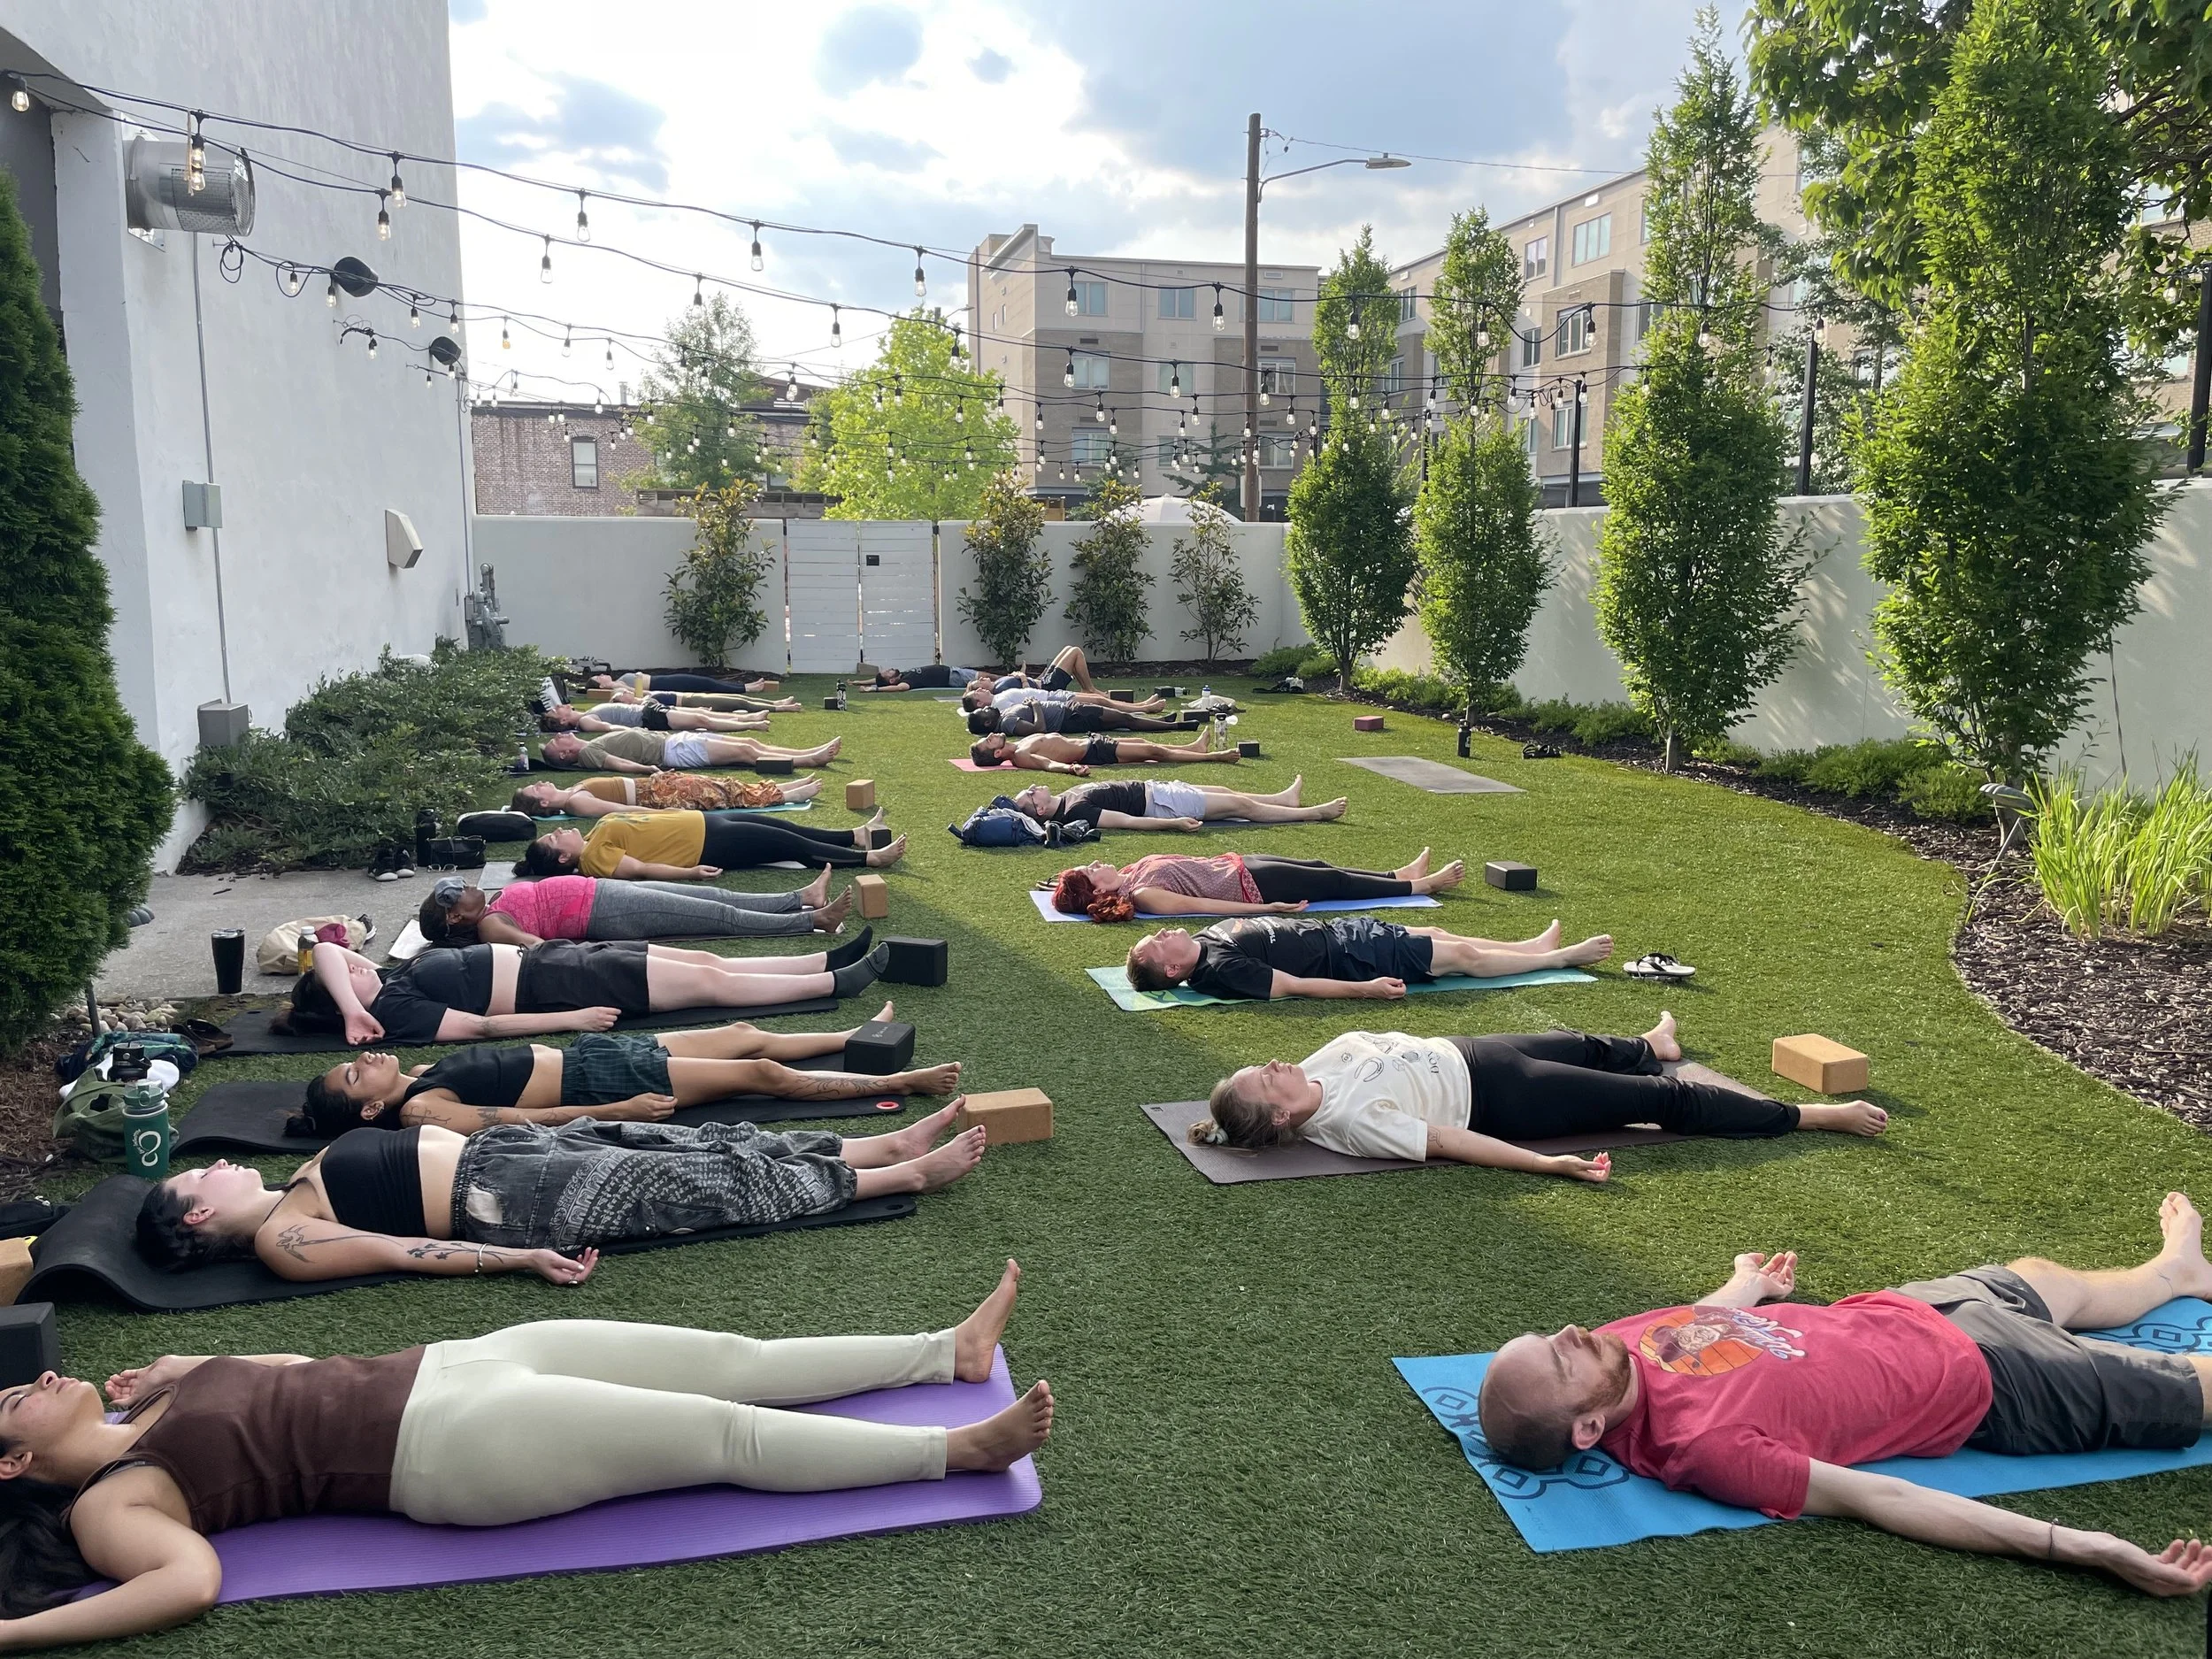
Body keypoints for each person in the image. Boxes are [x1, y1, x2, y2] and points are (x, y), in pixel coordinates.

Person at [0, 1260, 1053, 1639]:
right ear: (12, 1467)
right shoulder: (111, 1505)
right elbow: (187, 1584)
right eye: (16, 1402)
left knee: (732, 1358)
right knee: (722, 1437)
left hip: (461, 1361)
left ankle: (942, 1353)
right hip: (453, 1446)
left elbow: (290, 1371)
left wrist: (190, 1363)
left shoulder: (153, 1403)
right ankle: (956, 1453)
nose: (40, 1376)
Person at [1473, 1193, 2212, 1598]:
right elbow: (1878, 1497)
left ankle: (2174, 1272)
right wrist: (2083, 1546)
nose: (1573, 1330)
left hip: (1906, 1308)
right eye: (1560, 1357)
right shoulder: (1704, 1448)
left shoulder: (1611, 1350)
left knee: (2048, 1276)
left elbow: (1692, 1323)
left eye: (1551, 1334)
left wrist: (1747, 1286)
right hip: (1995, 1382)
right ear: (1587, 1429)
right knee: (2197, 1389)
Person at [133, 1091, 988, 1286]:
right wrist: (519, 1260)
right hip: (513, 1202)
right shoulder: (285, 1239)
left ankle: (880, 1138)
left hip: (517, 1151)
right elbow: (401, 1250)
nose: (216, 1162)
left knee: (705, 1138)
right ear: (200, 1213)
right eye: (199, 1174)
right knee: (706, 1181)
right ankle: (899, 1173)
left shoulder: (293, 1184)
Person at [1192, 1013, 1886, 1179]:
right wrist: (1548, 1164)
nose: (1272, 1062)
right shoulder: (1348, 1123)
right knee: (1659, 1101)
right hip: (1504, 1096)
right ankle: (1812, 1116)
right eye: (1263, 1077)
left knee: (1582, 1040)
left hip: (1471, 1049)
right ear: (1280, 1114)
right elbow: (1451, 1141)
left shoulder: (1315, 1067)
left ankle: (1654, 1041)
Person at [290, 1002, 961, 1137]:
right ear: (371, 1109)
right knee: (761, 1074)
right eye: (355, 1076)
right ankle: (900, 1082)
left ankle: (850, 1032)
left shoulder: (421, 1072)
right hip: (601, 1085)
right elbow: (524, 1120)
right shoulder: (420, 1110)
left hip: (595, 1056)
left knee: (739, 1033)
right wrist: (618, 1111)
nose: (365, 1060)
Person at [277, 933, 891, 1049]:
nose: (355, 966)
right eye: (345, 985)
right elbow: (483, 1029)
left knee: (705, 959)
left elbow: (327, 950)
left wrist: (353, 1000)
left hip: (558, 955)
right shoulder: (398, 1014)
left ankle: (822, 957)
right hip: (559, 983)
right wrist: (572, 1017)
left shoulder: (381, 985)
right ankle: (835, 981)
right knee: (710, 984)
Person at [1125, 915, 1613, 1000]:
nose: (1165, 932)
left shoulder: (1206, 941)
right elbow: (1294, 986)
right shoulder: (1218, 971)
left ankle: (1530, 949)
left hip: (1342, 933)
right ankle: (1561, 959)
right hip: (1352, 958)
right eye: (1158, 942)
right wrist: (1367, 988)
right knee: (1461, 957)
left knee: (1438, 931)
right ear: (1172, 969)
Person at [417, 867, 850, 946]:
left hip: (601, 895)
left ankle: (802, 899)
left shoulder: (490, 907)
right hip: (604, 912)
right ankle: (813, 921)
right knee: (718, 917)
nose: (466, 886)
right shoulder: (491, 927)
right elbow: (535, 946)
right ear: (455, 915)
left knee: (713, 898)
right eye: (456, 891)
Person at [1051, 848, 1463, 921]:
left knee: (1321, 866)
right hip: (1254, 888)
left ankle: (1398, 876)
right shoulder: (1142, 896)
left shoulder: (1128, 873)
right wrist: (1268, 909)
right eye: (1089, 871)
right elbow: (1208, 909)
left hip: (1241, 864)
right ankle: (1420, 887)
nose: (1094, 863)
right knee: (1334, 882)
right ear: (1098, 893)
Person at [514, 810, 907, 881]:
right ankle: (868, 859)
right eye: (553, 838)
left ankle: (855, 834)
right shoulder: (595, 859)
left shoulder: (596, 831)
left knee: (786, 826)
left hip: (705, 823)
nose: (559, 831)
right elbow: (641, 870)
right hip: (709, 846)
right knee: (790, 844)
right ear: (564, 857)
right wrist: (690, 872)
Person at [1010, 776, 1347, 834]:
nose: (1033, 788)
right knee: (1240, 806)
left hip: (1157, 790)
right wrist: (1171, 823)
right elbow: (1127, 822)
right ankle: (1314, 813)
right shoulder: (1075, 812)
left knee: (1226, 792)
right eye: (1031, 795)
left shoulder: (1066, 797)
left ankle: (1283, 800)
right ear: (1041, 811)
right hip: (1161, 805)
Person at [540, 728, 842, 774]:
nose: (562, 735)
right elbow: (616, 763)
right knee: (746, 754)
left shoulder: (590, 742)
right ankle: (809, 760)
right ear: (566, 755)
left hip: (675, 740)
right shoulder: (589, 753)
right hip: (674, 752)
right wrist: (646, 770)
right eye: (558, 742)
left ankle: (807, 752)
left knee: (750, 744)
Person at [511, 773, 819, 816]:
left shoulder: (571, 791)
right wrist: (664, 815)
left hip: (657, 784)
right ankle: (788, 796)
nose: (541, 783)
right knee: (722, 794)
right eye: (536, 788)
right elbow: (621, 811)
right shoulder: (576, 802)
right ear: (543, 802)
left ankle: (785, 789)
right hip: (659, 796)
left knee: (724, 785)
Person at [970, 727, 1238, 775]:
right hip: (1094, 752)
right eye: (989, 741)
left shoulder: (1019, 743)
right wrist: (1070, 769)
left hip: (1092, 741)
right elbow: (1046, 764)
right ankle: (1214, 756)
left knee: (1146, 743)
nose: (992, 735)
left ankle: (1193, 748)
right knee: (1154, 751)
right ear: (996, 754)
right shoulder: (1020, 756)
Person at [543, 703, 770, 736]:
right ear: (563, 722)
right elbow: (613, 728)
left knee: (703, 714)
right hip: (649, 718)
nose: (559, 705)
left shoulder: (586, 712)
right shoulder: (585, 722)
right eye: (556, 710)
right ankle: (752, 724)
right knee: (702, 720)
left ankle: (750, 717)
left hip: (649, 709)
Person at [591, 669, 783, 697]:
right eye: (599, 678)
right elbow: (638, 694)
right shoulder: (617, 687)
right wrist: (639, 678)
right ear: (600, 686)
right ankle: (747, 689)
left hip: (664, 681)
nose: (602, 675)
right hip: (663, 685)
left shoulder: (618, 682)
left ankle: (746, 687)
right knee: (707, 685)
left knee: (708, 682)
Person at [862, 664, 980, 692]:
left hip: (951, 671)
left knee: (985, 677)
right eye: (888, 672)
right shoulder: (906, 681)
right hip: (952, 676)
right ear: (892, 680)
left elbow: (876, 681)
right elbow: (900, 688)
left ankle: (1000, 680)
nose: (889, 669)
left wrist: (858, 682)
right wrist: (875, 689)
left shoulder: (902, 674)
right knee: (985, 677)